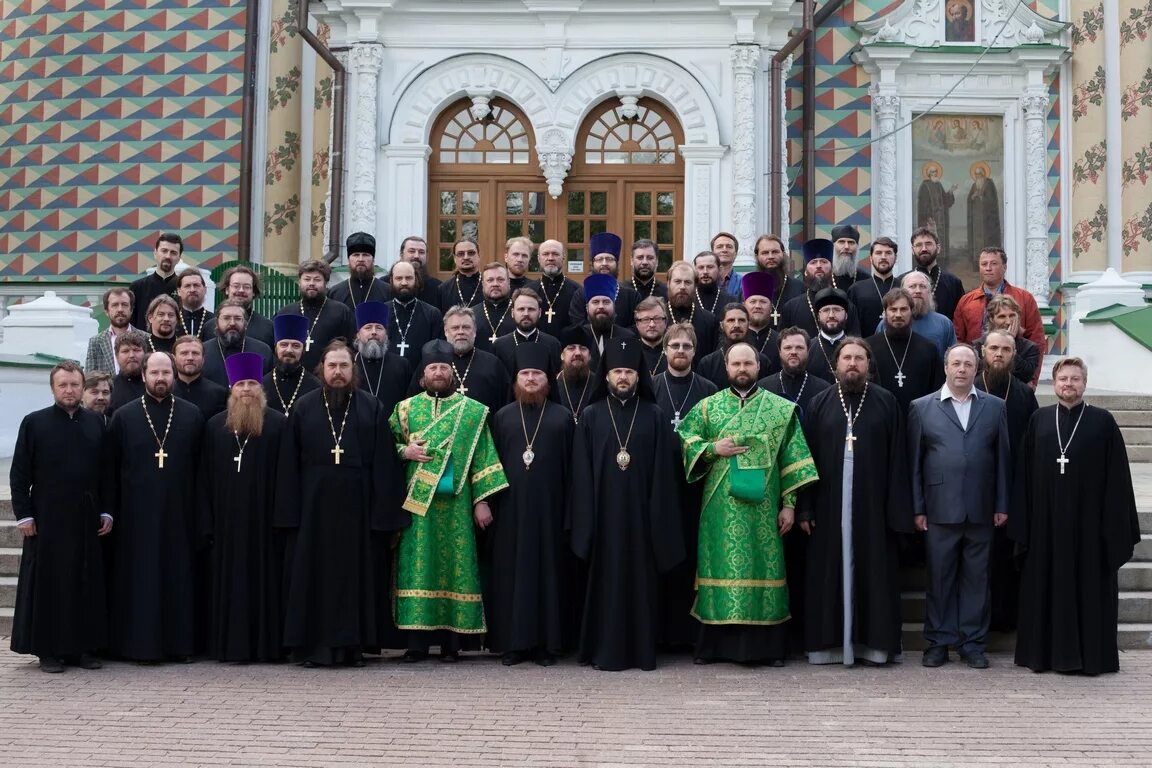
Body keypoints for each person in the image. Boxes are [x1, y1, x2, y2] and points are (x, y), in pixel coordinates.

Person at [677, 342, 819, 665]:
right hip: (718, 511)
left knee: (763, 570)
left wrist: (790, 504)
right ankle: (714, 647)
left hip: (765, 511)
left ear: (758, 366)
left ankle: (767, 649)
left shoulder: (780, 409)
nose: (742, 370)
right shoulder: (707, 408)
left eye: (748, 364)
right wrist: (714, 448)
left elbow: (794, 458)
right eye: (736, 364)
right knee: (719, 570)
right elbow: (686, 440)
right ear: (726, 368)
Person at [276, 341, 407, 667]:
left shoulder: (371, 406)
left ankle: (354, 646)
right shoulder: (304, 407)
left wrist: (384, 517)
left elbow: (384, 464)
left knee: (356, 577)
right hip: (313, 510)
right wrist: (289, 515)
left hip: (358, 508)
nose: (337, 372)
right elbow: (288, 464)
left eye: (344, 366)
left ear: (353, 370)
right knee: (312, 576)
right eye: (332, 366)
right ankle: (311, 646)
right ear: (322, 369)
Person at [1010, 358, 1141, 675]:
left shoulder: (1103, 422)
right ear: (1053, 383)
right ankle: (1042, 656)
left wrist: (1113, 528)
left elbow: (1118, 480)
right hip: (1045, 528)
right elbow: (1023, 478)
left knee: (1088, 589)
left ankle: (1089, 658)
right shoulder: (1039, 420)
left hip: (1089, 531)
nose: (1068, 384)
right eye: (1063, 378)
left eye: (1075, 379)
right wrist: (1021, 523)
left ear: (1085, 383)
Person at [570, 338, 683, 671]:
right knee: (604, 584)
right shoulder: (590, 416)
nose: (623, 377)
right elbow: (581, 475)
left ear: (639, 376)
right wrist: (585, 523)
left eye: (629, 372)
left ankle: (641, 651)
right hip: (603, 520)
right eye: (617, 371)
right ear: (606, 376)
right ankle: (603, 650)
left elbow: (664, 474)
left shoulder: (655, 415)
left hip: (643, 520)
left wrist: (658, 518)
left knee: (641, 586)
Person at [391, 339, 508, 662]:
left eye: (443, 367)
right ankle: (416, 645)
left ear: (451, 372)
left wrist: (481, 501)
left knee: (455, 569)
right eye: (433, 368)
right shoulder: (404, 409)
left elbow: (484, 456)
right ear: (423, 374)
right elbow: (385, 449)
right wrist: (405, 451)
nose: (439, 372)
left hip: (457, 504)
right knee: (418, 569)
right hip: (417, 505)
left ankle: (451, 645)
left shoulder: (471, 412)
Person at [799, 338, 912, 665]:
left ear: (868, 365)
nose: (852, 363)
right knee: (829, 571)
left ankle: (874, 648)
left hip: (873, 508)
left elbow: (898, 462)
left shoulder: (886, 402)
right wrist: (805, 506)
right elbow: (806, 460)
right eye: (846, 358)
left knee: (873, 573)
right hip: (828, 504)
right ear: (836, 364)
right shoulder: (820, 402)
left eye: (859, 358)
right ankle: (828, 647)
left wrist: (897, 512)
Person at [909, 343, 1010, 670]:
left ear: (976, 369)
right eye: (957, 363)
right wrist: (918, 507)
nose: (962, 369)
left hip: (982, 508)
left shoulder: (995, 407)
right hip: (939, 509)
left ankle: (973, 644)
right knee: (939, 579)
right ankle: (938, 643)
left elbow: (1003, 461)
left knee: (977, 580)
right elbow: (914, 464)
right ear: (946, 368)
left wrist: (1002, 503)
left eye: (968, 364)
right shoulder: (922, 407)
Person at [10, 362, 112, 673]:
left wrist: (106, 510)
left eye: (74, 385)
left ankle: (81, 650)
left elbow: (106, 473)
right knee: (50, 585)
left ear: (82, 388)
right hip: (48, 517)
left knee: (84, 581)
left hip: (85, 516)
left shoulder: (96, 423)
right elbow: (19, 473)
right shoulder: (34, 423)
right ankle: (49, 651)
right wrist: (24, 515)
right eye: (63, 385)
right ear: (53, 388)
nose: (69, 390)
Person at [105, 351, 205, 662]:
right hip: (136, 516)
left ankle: (180, 646)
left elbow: (202, 471)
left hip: (180, 514)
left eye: (165, 373)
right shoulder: (123, 416)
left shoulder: (192, 415)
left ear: (174, 374)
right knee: (140, 581)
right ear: (144, 375)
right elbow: (111, 470)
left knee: (179, 579)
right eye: (154, 373)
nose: (160, 379)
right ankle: (136, 647)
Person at [487, 344, 575, 665]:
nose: (531, 379)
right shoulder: (502, 417)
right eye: (525, 374)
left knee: (548, 578)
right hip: (509, 512)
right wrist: (485, 504)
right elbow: (489, 464)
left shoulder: (563, 418)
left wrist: (570, 514)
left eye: (537, 373)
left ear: (548, 380)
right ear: (516, 380)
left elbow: (572, 471)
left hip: (550, 512)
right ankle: (513, 645)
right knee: (512, 577)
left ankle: (546, 645)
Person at [199, 352, 288, 662]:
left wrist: (281, 520)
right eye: (240, 384)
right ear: (231, 390)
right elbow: (203, 479)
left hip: (263, 524)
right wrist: (206, 521)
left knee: (263, 585)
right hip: (225, 524)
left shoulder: (277, 425)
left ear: (261, 389)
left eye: (252, 383)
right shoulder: (213, 427)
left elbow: (287, 476)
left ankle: (264, 648)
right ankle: (227, 647)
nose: (247, 389)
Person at [651, 323, 717, 649]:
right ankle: (663, 634)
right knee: (663, 556)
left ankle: (693, 636)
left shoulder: (708, 390)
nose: (680, 351)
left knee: (694, 559)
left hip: (697, 487)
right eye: (674, 345)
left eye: (686, 346)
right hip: (660, 488)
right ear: (664, 350)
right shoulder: (650, 388)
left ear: (695, 351)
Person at [975, 329, 1038, 631]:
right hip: (976, 490)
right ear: (982, 352)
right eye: (993, 349)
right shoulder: (970, 388)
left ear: (1014, 356)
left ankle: (1005, 620)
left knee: (1005, 559)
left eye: (1006, 350)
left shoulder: (1024, 394)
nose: (999, 354)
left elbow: (1034, 444)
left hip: (1013, 489)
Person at [953, 248, 1046, 372]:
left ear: (1004, 267)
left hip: (1016, 372)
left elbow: (1037, 338)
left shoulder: (1024, 298)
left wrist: (1032, 381)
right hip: (978, 373)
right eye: (984, 264)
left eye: (994, 263)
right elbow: (959, 340)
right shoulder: (966, 301)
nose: (988, 268)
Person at [416, 305, 510, 417]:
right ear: (446, 331)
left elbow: (505, 406)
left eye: (466, 327)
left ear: (475, 331)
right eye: (455, 328)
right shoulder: (431, 364)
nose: (461, 332)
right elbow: (416, 403)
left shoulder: (493, 364)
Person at [865, 288, 944, 412]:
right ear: (885, 312)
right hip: (880, 417)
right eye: (893, 309)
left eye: (903, 309)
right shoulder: (868, 347)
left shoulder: (928, 349)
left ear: (911, 312)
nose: (898, 315)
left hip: (919, 418)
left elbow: (936, 392)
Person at [276, 259, 357, 372]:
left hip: (329, 378)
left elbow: (351, 348)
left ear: (325, 282)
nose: (311, 283)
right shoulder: (286, 313)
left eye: (317, 279)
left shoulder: (341, 312)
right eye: (307, 279)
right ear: (300, 282)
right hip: (293, 376)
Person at [779, 238, 862, 338]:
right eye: (813, 262)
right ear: (806, 270)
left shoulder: (846, 305)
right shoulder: (791, 307)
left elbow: (855, 342)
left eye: (824, 261)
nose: (819, 266)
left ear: (832, 268)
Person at [566, 232, 641, 328]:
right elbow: (578, 326)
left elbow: (637, 327)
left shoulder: (632, 296)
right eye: (599, 259)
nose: (604, 263)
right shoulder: (580, 295)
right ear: (592, 264)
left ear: (617, 263)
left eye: (609, 259)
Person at [877, 271, 957, 359]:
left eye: (923, 286)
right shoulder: (887, 323)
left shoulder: (944, 323)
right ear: (903, 291)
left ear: (929, 293)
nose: (918, 291)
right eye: (912, 286)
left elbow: (952, 359)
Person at [695, 303, 777, 389]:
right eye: (731, 320)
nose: (736, 325)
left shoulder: (762, 361)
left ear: (748, 324)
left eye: (741, 320)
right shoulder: (708, 364)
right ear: (722, 325)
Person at [353, 301, 412, 418]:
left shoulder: (401, 365)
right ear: (358, 334)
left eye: (379, 328)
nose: (374, 332)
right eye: (368, 328)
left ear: (385, 334)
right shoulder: (350, 364)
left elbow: (409, 404)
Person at [201, 300, 274, 388]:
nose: (232, 323)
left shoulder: (263, 351)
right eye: (226, 318)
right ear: (216, 323)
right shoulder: (203, 351)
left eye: (238, 318)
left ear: (245, 323)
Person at [571, 274, 637, 371]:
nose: (601, 306)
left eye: (606, 302)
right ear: (587, 308)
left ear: (614, 307)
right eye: (595, 302)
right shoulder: (575, 335)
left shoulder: (628, 337)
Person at [973, 294, 1042, 386]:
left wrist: (1010, 343)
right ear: (991, 319)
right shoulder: (978, 345)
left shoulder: (1030, 348)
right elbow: (976, 374)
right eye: (1002, 316)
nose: (1008, 322)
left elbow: (1026, 376)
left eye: (1012, 315)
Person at [491, 287, 561, 375]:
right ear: (512, 312)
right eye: (521, 309)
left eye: (531, 309)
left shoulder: (552, 344)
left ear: (539, 312)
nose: (526, 314)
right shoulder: (499, 346)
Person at [386, 259, 444, 365]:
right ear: (391, 280)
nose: (404, 283)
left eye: (409, 278)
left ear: (416, 279)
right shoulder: (382, 312)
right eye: (399, 278)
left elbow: (436, 354)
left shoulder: (432, 314)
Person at [900, 227, 965, 320]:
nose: (924, 249)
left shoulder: (953, 283)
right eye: (918, 245)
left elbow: (960, 319)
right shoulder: (902, 281)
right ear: (912, 250)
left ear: (938, 248)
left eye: (928, 244)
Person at [262, 314, 320, 417]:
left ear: (303, 350)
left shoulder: (316, 387)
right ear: (276, 348)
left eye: (296, 346)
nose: (289, 350)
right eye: (284, 345)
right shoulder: (261, 386)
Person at [129, 232, 183, 329]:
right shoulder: (137, 287)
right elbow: (131, 324)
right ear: (155, 253)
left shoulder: (183, 287)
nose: (168, 256)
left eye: (173, 253)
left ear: (179, 258)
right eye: (164, 251)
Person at [666, 261, 718, 360]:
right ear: (668, 283)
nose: (682, 287)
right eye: (677, 281)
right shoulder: (657, 317)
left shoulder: (709, 320)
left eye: (688, 282)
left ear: (695, 286)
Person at [847, 236, 898, 338]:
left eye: (888, 253)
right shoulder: (856, 289)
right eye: (878, 253)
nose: (883, 257)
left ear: (895, 258)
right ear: (870, 258)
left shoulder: (904, 287)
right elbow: (851, 326)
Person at [752, 234, 804, 329]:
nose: (770, 256)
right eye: (765, 253)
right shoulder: (750, 287)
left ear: (783, 254)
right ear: (757, 256)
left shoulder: (798, 287)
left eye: (775, 252)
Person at [532, 239, 582, 339]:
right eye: (545, 254)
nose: (550, 258)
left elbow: (579, 325)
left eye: (555, 254)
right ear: (538, 258)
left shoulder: (577, 290)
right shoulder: (529, 290)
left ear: (563, 257)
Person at [329, 232, 390, 311]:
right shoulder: (335, 292)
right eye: (356, 255)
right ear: (348, 260)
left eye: (365, 255)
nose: (360, 259)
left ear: (373, 259)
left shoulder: (387, 291)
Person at [219, 265, 276, 349]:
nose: (241, 290)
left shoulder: (268, 327)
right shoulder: (210, 326)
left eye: (246, 287)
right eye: (236, 286)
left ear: (253, 291)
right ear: (227, 289)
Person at [173, 335, 228, 419]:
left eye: (195, 353)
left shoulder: (219, 394)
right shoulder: (167, 392)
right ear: (174, 358)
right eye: (184, 353)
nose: (190, 358)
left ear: (203, 359)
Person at [805, 288, 851, 384]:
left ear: (846, 315)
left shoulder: (857, 349)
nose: (831, 315)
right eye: (826, 310)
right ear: (818, 316)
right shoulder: (807, 348)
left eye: (837, 310)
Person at [86, 287, 136, 374]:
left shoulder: (145, 338)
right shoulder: (95, 342)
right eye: (115, 305)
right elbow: (90, 378)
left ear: (131, 309)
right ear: (106, 311)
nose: (120, 309)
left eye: (124, 304)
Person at [554, 326, 597, 425]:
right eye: (571, 348)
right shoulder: (552, 385)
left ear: (590, 356)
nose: (577, 353)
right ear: (562, 355)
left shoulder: (599, 385)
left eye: (583, 348)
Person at [916, 169, 956, 266]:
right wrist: (927, 216)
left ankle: (941, 261)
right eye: (933, 173)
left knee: (940, 239)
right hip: (930, 220)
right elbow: (923, 204)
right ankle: (929, 261)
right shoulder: (925, 186)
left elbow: (945, 199)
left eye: (935, 173)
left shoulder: (938, 185)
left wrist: (950, 191)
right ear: (929, 175)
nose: (935, 175)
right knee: (931, 239)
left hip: (941, 219)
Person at [472, 263, 516, 351]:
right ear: (483, 284)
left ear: (509, 283)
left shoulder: (519, 312)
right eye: (490, 280)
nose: (495, 284)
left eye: (500, 279)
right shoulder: (471, 314)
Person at [438, 236, 484, 311]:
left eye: (471, 253)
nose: (466, 257)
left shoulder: (490, 286)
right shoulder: (443, 289)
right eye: (461, 254)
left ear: (478, 255)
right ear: (454, 258)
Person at [107, 331, 148, 413]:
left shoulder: (154, 384)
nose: (132, 355)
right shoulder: (109, 387)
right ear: (117, 356)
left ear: (145, 354)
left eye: (136, 350)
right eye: (125, 351)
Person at [742, 271, 780, 359]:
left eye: (763, 302)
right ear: (744, 306)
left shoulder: (781, 341)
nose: (758, 306)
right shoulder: (736, 339)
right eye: (753, 302)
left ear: (771, 307)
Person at [966, 165, 1001, 260]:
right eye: (976, 174)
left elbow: (992, 200)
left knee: (986, 241)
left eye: (980, 174)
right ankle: (976, 262)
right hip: (976, 220)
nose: (978, 176)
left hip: (987, 219)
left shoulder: (989, 184)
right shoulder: (974, 185)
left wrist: (981, 197)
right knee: (977, 242)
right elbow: (969, 199)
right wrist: (973, 196)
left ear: (984, 174)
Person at [397, 235, 442, 307]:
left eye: (421, 252)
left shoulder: (438, 287)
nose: (416, 256)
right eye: (412, 251)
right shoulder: (385, 285)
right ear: (401, 254)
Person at [693, 251, 740, 317]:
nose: (705, 272)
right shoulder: (687, 300)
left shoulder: (731, 301)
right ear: (695, 270)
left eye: (710, 267)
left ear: (719, 270)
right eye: (701, 267)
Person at [634, 296, 670, 377]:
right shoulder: (631, 352)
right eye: (646, 319)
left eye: (657, 319)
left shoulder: (674, 351)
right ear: (637, 324)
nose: (652, 325)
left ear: (665, 322)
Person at [828, 224, 870, 292]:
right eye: (841, 242)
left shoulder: (866, 279)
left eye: (851, 242)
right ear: (833, 246)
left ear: (857, 247)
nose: (846, 247)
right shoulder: (824, 278)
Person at [175, 268, 214, 341]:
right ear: (179, 291)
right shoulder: (173, 320)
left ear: (205, 290)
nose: (192, 290)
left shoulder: (214, 320)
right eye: (187, 286)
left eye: (196, 285)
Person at [712, 232, 742, 298]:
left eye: (729, 247)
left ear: (735, 254)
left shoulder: (743, 283)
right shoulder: (704, 280)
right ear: (712, 253)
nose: (724, 250)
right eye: (719, 247)